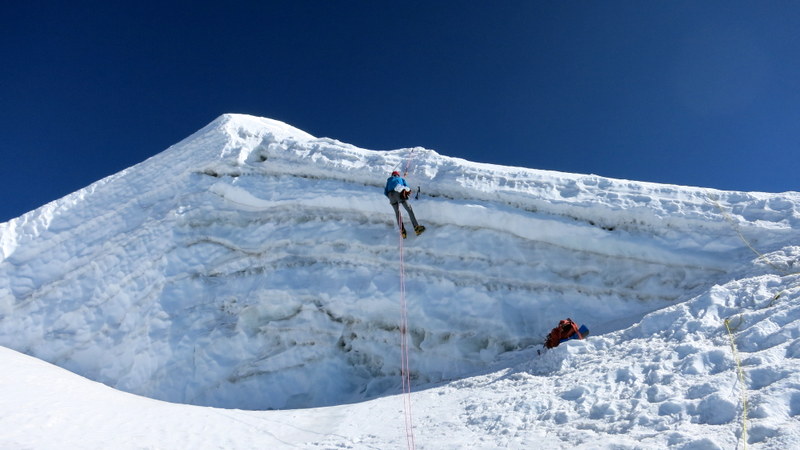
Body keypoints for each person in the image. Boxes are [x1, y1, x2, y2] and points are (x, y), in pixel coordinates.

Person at [384, 170, 425, 238]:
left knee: (397, 213)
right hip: (398, 193)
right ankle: (417, 228)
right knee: (409, 209)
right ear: (398, 175)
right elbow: (407, 188)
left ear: (392, 175)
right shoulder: (400, 179)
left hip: (390, 196)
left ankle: (402, 231)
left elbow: (385, 192)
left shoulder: (389, 181)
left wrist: (393, 198)